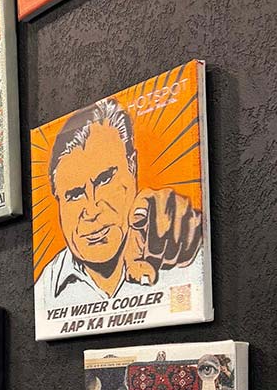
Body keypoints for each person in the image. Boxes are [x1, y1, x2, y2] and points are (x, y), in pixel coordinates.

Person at [39, 97, 202, 307]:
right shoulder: (47, 286)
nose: (92, 210)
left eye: (104, 180)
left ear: (132, 167)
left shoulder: (182, 246)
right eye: (74, 194)